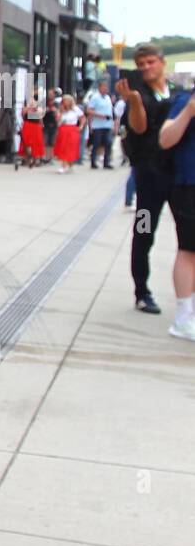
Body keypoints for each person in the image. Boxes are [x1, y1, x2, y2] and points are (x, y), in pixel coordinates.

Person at [118, 43, 182, 314]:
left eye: (150, 62)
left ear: (162, 62)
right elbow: (139, 127)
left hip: (180, 177)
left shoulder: (180, 95)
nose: (145, 68)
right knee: (143, 231)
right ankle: (141, 291)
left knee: (188, 235)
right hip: (148, 179)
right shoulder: (137, 95)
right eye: (141, 64)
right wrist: (133, 100)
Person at [158, 89, 195, 340]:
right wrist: (188, 112)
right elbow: (164, 139)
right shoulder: (184, 100)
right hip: (160, 183)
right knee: (143, 229)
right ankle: (142, 292)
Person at [86, 78, 115, 169]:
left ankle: (106, 162)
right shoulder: (95, 97)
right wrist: (100, 116)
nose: (106, 89)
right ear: (100, 88)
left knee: (108, 143)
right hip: (98, 125)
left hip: (107, 124)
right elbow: (89, 110)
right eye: (104, 87)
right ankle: (93, 162)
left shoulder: (107, 98)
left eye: (107, 87)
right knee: (96, 143)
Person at [53, 94, 82, 174]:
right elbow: (58, 121)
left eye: (66, 100)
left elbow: (82, 118)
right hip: (63, 129)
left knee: (70, 147)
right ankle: (64, 165)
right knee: (63, 147)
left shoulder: (76, 109)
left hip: (72, 129)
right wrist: (60, 112)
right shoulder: (61, 110)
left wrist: (80, 126)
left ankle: (68, 164)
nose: (64, 102)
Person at [19, 91, 46, 166]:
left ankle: (36, 158)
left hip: (36, 125)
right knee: (26, 141)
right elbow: (23, 113)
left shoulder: (40, 105)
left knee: (37, 142)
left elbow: (41, 115)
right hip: (28, 124)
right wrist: (29, 108)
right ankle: (26, 158)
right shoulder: (27, 104)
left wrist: (41, 123)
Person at [42, 87, 61, 163]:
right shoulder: (44, 102)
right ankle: (45, 156)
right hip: (46, 123)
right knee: (45, 141)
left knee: (52, 142)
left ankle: (50, 157)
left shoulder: (57, 103)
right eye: (49, 94)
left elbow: (60, 112)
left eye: (52, 94)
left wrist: (56, 111)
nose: (50, 95)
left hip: (54, 124)